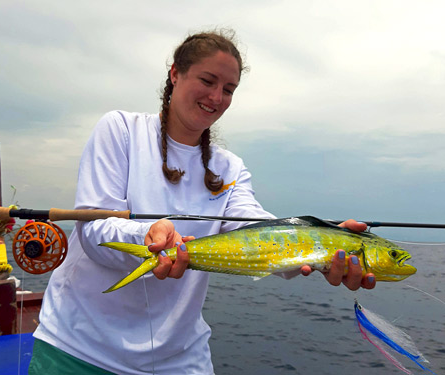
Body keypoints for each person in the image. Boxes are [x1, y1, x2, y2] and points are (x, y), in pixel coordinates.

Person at [29, 29, 375, 375]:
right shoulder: (121, 129)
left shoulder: (228, 167)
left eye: (228, 90)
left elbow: (255, 230)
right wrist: (149, 235)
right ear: (175, 73)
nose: (216, 97)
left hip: (178, 360)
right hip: (80, 348)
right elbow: (94, 230)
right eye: (208, 81)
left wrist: (323, 242)